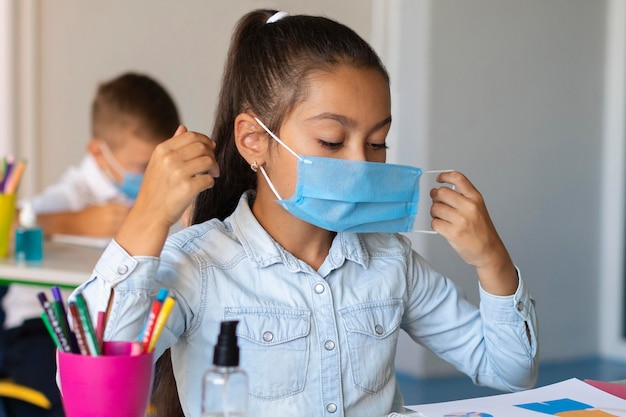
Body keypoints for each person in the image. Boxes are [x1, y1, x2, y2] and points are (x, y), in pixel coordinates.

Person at [73, 9, 538, 417]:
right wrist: (147, 219)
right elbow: (92, 390)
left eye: (377, 143)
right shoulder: (198, 267)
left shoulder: (390, 260)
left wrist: (490, 259)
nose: (359, 165)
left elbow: (510, 370)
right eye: (332, 142)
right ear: (254, 141)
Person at [1, 72, 181, 417]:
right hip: (43, 331)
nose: (149, 175)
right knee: (83, 398)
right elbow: (8, 229)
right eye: (142, 166)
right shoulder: (73, 195)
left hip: (126, 331)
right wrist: (75, 222)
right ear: (98, 152)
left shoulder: (163, 197)